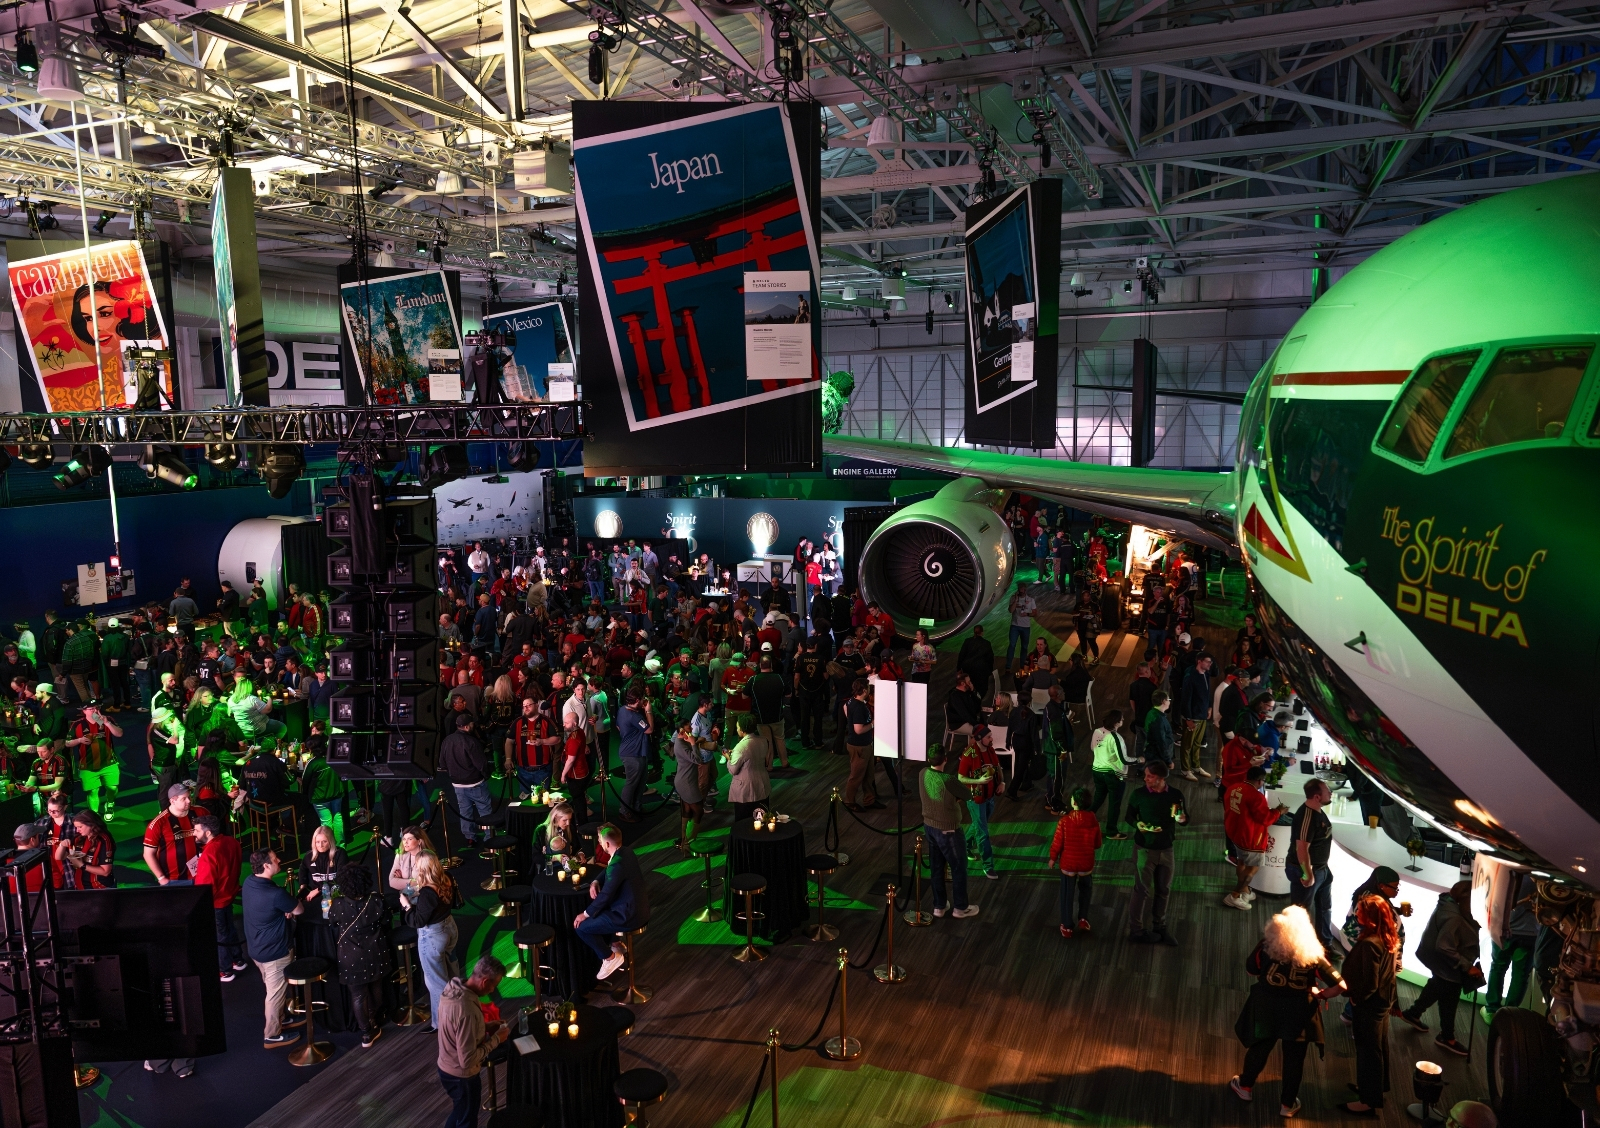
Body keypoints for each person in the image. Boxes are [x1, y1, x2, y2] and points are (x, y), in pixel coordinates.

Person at [1228, 905, 1345, 1118]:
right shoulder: (1313, 955)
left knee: (1259, 1047)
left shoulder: (1266, 946)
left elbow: (1250, 970)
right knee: (1294, 1060)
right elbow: (1341, 985)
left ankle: (1245, 1087)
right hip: (1299, 1014)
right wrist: (1322, 994)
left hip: (1266, 1008)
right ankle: (1287, 1105)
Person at [1400, 880, 1483, 1057]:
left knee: (1437, 985)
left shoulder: (1447, 903)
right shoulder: (1455, 917)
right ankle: (1447, 1037)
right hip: (1449, 963)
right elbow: (1444, 946)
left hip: (1440, 961)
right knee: (1449, 998)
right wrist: (1467, 966)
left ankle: (1413, 1013)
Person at [1339, 894, 1402, 1116]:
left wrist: (1356, 998)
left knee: (1368, 1052)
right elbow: (1389, 975)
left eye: (1360, 911)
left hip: (1369, 1005)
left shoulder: (1369, 944)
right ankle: (1375, 1088)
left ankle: (1368, 1101)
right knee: (1378, 1047)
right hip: (1383, 1002)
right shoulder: (1389, 937)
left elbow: (1369, 982)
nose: (1356, 913)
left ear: (1371, 917)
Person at [437, 953, 510, 1128]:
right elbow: (467, 1059)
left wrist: (484, 1026)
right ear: (485, 982)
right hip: (462, 1076)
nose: (493, 991)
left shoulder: (453, 988)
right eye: (494, 985)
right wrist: (496, 1039)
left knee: (459, 1113)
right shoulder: (466, 1009)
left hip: (445, 1067)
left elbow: (458, 1030)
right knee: (466, 1121)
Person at [242, 848, 305, 1049]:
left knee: (274, 989)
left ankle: (282, 1019)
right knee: (275, 994)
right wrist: (288, 909)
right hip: (275, 954)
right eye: (274, 859)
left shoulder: (249, 882)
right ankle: (271, 1035)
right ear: (266, 866)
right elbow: (299, 909)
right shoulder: (276, 894)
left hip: (256, 950)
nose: (279, 859)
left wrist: (282, 910)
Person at [329, 863, 393, 1049]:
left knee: (358, 995)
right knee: (376, 988)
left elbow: (332, 922)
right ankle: (373, 1019)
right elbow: (387, 920)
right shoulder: (376, 900)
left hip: (350, 957)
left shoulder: (338, 904)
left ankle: (366, 1032)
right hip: (375, 952)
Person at [1124, 760, 1188, 945]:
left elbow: (1183, 818)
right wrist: (1138, 824)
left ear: (1161, 779)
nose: (1145, 779)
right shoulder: (1138, 794)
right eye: (1146, 775)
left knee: (1164, 889)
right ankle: (1136, 931)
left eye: (1150, 776)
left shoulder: (1175, 795)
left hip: (1167, 849)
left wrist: (1182, 819)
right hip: (1144, 849)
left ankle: (1159, 926)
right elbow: (1129, 816)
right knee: (1141, 890)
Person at [574, 825, 650, 980]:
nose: (599, 843)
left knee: (582, 927)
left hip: (628, 916)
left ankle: (610, 958)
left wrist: (585, 914)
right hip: (640, 909)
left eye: (600, 840)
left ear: (607, 844)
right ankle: (616, 943)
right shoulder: (626, 852)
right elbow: (609, 868)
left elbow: (605, 896)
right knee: (601, 912)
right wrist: (596, 881)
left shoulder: (616, 865)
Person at [918, 744, 984, 920]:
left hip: (929, 827)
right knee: (958, 867)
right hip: (949, 830)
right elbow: (967, 795)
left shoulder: (922, 773)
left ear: (929, 759)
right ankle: (960, 908)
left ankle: (939, 906)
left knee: (936, 867)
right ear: (945, 759)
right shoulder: (948, 780)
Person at [403, 851, 461, 1030]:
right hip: (450, 927)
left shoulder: (428, 892)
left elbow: (418, 921)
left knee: (436, 983)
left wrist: (406, 906)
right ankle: (461, 1009)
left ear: (422, 868)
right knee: (452, 974)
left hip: (434, 935)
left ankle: (442, 1025)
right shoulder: (447, 877)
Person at [1222, 766, 1287, 911]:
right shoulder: (1256, 796)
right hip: (1251, 838)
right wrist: (1278, 811)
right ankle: (1234, 896)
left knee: (1242, 862)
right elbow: (1266, 819)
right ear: (1259, 781)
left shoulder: (1234, 787)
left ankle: (1245, 891)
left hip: (1236, 833)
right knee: (1252, 868)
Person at [192, 815, 246, 981]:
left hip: (216, 902)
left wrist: (200, 907)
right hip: (229, 895)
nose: (194, 833)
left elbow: (205, 887)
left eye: (197, 830)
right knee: (230, 929)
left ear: (208, 833)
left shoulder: (208, 855)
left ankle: (225, 970)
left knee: (220, 935)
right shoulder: (232, 842)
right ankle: (238, 959)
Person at [1484, 868, 1538, 1022]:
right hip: (1531, 932)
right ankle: (1509, 1016)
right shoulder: (1543, 873)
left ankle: (1491, 1010)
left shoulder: (1508, 869)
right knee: (1520, 976)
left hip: (1505, 928)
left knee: (1498, 967)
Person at [1286, 779, 1336, 948]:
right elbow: (1301, 848)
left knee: (1324, 908)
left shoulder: (1318, 811)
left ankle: (1325, 944)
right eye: (1327, 791)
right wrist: (1307, 873)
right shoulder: (1307, 816)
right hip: (1307, 870)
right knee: (1300, 911)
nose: (1331, 793)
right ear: (1317, 796)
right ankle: (1294, 947)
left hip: (1321, 869)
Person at [1049, 787, 1103, 938]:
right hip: (1086, 863)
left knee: (1067, 894)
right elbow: (1098, 844)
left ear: (1074, 802)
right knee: (1085, 891)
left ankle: (1067, 926)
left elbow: (1057, 843)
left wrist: (1053, 858)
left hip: (1069, 864)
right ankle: (1083, 918)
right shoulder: (1093, 821)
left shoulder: (1064, 821)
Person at [440, 714, 492, 851]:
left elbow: (442, 763)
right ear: (468, 726)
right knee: (484, 810)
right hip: (475, 782)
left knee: (464, 811)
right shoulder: (471, 741)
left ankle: (470, 837)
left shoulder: (447, 740)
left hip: (457, 784)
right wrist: (486, 775)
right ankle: (489, 837)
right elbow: (481, 764)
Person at [958, 726, 1002, 879]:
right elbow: (960, 778)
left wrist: (1002, 782)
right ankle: (988, 866)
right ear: (979, 739)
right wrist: (978, 781)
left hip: (989, 796)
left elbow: (997, 767)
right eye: (988, 737)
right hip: (975, 799)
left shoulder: (990, 750)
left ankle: (965, 845)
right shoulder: (968, 754)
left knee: (978, 825)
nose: (991, 739)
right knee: (983, 832)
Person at [142, 783, 206, 886]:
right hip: (174, 880)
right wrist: (161, 878)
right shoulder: (158, 824)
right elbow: (148, 854)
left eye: (189, 797)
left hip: (202, 874)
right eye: (184, 799)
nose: (189, 801)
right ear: (172, 801)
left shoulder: (201, 812)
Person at [1087, 711, 1137, 841]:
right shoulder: (1116, 737)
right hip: (1113, 775)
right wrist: (1139, 760)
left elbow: (1093, 748)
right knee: (1114, 804)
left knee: (1098, 798)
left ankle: (1083, 821)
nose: (1123, 720)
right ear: (1116, 722)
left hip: (1097, 771)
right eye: (1122, 719)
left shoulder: (1097, 731)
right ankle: (1111, 831)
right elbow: (1124, 759)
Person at [68, 703, 122, 819]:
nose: (95, 710)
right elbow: (67, 743)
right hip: (87, 766)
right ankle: (94, 815)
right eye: (91, 708)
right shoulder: (77, 724)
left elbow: (119, 734)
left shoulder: (107, 719)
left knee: (112, 788)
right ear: (84, 711)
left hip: (109, 763)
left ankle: (110, 804)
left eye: (96, 708)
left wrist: (107, 723)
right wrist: (79, 740)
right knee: (93, 791)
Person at [615, 690, 655, 823]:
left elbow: (618, 727)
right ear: (637, 700)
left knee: (641, 781)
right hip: (632, 754)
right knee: (631, 783)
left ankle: (637, 807)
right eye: (642, 698)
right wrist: (649, 711)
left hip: (636, 752)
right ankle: (624, 811)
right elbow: (649, 729)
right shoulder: (634, 716)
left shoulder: (622, 710)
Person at [725, 713, 773, 821]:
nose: (737, 729)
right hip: (762, 784)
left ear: (742, 730)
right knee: (761, 818)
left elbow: (733, 770)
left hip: (745, 790)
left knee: (744, 821)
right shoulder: (763, 740)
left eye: (738, 727)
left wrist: (728, 758)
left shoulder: (741, 747)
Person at [842, 678, 880, 811]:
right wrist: (873, 724)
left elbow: (845, 707)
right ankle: (849, 802)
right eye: (868, 688)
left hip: (864, 745)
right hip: (859, 746)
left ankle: (869, 800)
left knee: (869, 775)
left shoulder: (851, 701)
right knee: (856, 776)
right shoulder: (859, 707)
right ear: (864, 690)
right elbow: (858, 730)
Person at [297, 825, 347, 915]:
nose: (320, 845)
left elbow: (341, 878)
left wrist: (319, 890)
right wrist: (302, 885)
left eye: (324, 841)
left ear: (330, 841)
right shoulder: (309, 856)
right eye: (317, 842)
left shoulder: (340, 854)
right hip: (315, 895)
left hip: (334, 894)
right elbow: (302, 869)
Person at [62, 808, 114, 889]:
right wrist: (61, 845)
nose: (77, 830)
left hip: (100, 888)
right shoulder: (79, 838)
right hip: (79, 887)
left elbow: (105, 872)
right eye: (76, 827)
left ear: (91, 824)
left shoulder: (104, 840)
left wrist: (81, 865)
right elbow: (59, 857)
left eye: (80, 827)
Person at [1005, 585, 1037, 669]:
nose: (1021, 591)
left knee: (1024, 647)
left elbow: (1035, 613)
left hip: (1026, 627)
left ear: (1025, 590)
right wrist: (1015, 600)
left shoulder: (1031, 600)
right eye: (1020, 589)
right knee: (1012, 645)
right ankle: (1008, 666)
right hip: (1014, 626)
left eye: (1023, 589)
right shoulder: (1013, 598)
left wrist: (1027, 614)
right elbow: (1010, 610)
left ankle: (1022, 666)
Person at [1142, 690, 1174, 766]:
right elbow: (1161, 743)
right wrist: (1168, 761)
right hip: (1158, 758)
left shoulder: (1151, 713)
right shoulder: (1159, 720)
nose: (1169, 702)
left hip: (1152, 753)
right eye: (1168, 699)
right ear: (1163, 701)